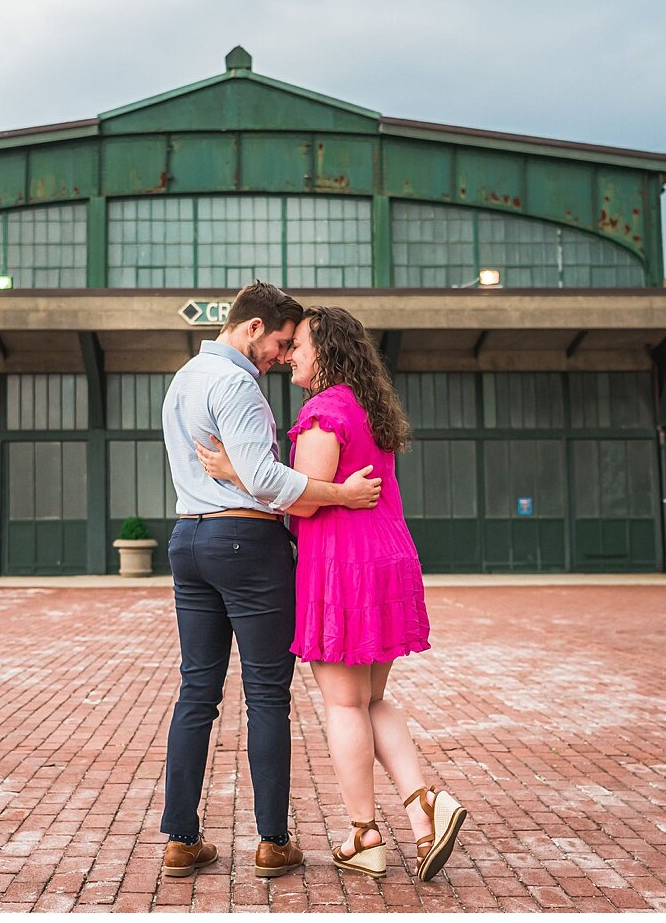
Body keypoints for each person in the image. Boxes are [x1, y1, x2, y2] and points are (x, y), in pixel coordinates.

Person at [198, 305, 467, 881]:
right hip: (388, 557)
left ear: (326, 353)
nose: (289, 354)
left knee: (345, 704)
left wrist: (233, 472)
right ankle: (424, 809)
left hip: (343, 565)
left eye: (299, 345)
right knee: (372, 699)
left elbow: (302, 499)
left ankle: (364, 834)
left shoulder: (324, 412)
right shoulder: (369, 407)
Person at [158, 281, 384, 881]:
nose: (284, 356)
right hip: (246, 545)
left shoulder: (184, 378)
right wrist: (342, 494)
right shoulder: (237, 384)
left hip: (188, 540)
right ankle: (272, 842)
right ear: (252, 327)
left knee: (196, 693)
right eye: (281, 342)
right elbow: (263, 479)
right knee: (265, 697)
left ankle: (180, 839)